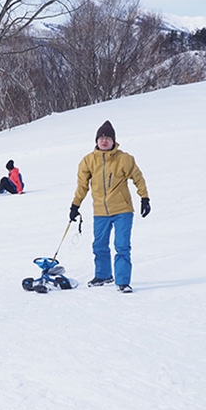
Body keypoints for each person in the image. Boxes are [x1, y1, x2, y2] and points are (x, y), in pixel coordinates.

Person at [69, 120, 150, 293]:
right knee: (99, 245)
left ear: (114, 141)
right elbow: (82, 185)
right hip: (100, 211)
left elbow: (138, 178)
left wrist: (144, 198)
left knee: (121, 246)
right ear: (96, 141)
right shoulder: (88, 161)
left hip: (123, 210)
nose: (104, 140)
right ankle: (103, 275)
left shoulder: (125, 159)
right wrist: (75, 205)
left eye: (108, 138)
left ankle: (122, 281)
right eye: (101, 137)